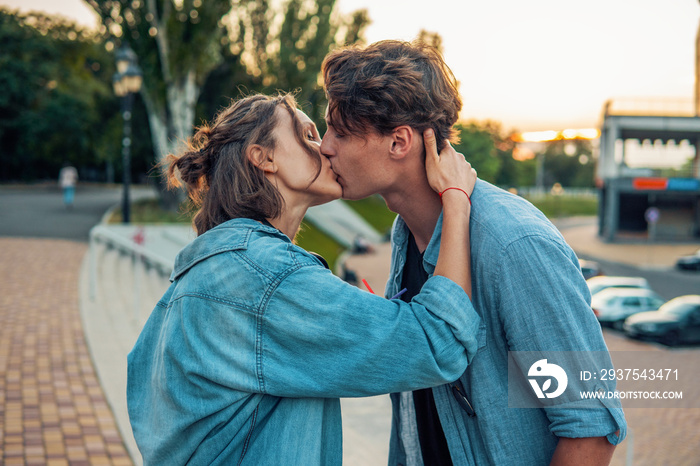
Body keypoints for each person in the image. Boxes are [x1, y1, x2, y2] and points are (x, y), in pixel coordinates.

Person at [127, 93, 480, 465]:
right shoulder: (266, 277)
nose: (327, 148)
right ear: (264, 157)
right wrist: (456, 198)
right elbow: (440, 340)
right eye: (309, 134)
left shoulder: (211, 271)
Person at [320, 40, 627, 466]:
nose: (325, 146)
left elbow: (590, 430)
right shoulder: (406, 233)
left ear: (399, 142)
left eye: (340, 131)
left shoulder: (513, 246)